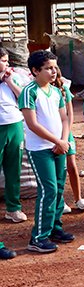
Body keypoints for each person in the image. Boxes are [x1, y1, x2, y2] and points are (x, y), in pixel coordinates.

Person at [19, 51, 72, 253]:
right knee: (48, 189)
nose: (53, 71)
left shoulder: (56, 91)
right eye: (49, 68)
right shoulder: (29, 92)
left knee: (58, 188)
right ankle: (38, 237)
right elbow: (32, 124)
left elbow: (65, 119)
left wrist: (64, 141)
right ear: (35, 70)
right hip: (40, 149)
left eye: (55, 67)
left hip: (59, 146)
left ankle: (54, 228)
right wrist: (57, 140)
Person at [54, 69, 84, 213]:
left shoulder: (63, 90)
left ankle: (78, 198)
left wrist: (67, 133)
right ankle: (60, 201)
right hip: (53, 134)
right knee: (59, 169)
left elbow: (69, 114)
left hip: (66, 133)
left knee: (72, 166)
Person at [0, 48, 27, 223]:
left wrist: (9, 81)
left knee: (13, 167)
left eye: (8, 61)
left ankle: (13, 208)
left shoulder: (13, 77)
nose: (7, 64)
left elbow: (23, 98)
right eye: (3, 60)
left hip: (14, 124)